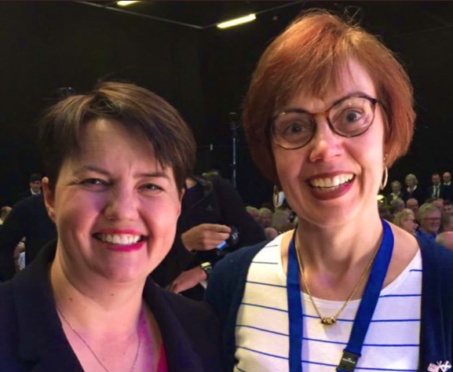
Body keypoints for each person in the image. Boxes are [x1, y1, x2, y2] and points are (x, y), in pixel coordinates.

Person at [206, 10, 453, 371]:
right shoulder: (232, 282)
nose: (324, 148)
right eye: (294, 127)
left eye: (351, 116)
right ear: (272, 154)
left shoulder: (445, 284)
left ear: (388, 132)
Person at [0, 82, 223, 371]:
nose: (123, 211)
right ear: (51, 197)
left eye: (151, 186)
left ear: (177, 204)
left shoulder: (203, 329)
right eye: (94, 181)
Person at [151, 174, 265, 300]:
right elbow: (147, 274)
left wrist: (205, 269)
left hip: (221, 299)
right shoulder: (145, 201)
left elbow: (256, 243)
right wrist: (185, 243)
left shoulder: (214, 190)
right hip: (169, 304)